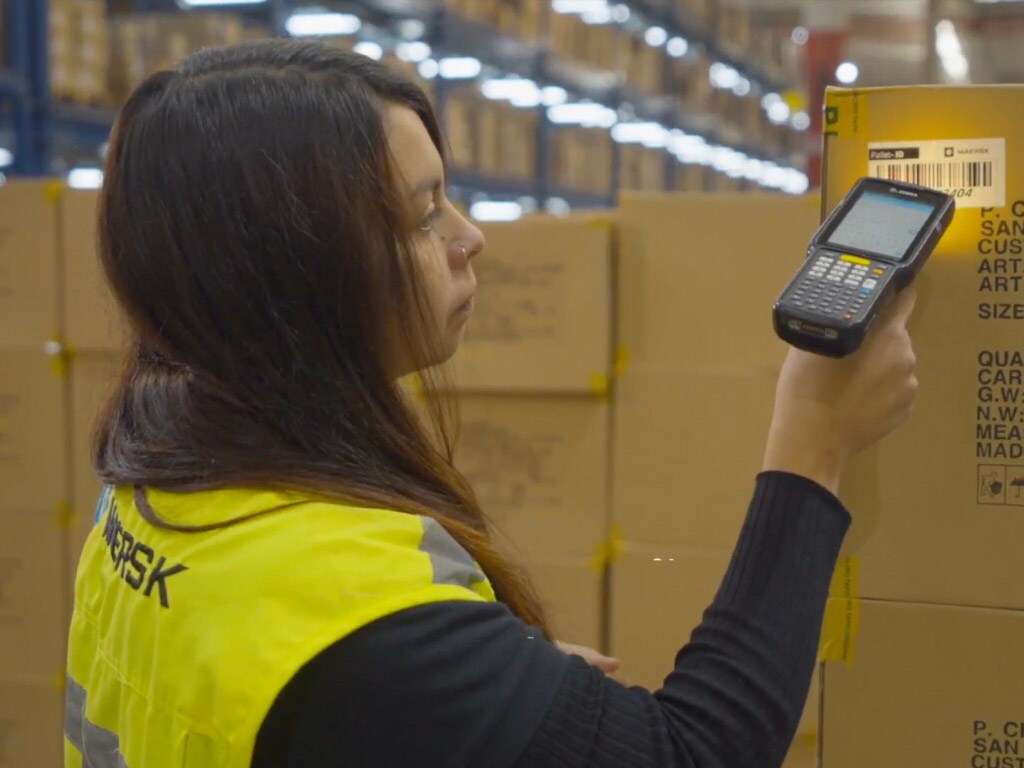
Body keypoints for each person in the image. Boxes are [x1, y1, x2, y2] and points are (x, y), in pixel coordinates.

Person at [65, 39, 918, 768]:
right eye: (422, 213)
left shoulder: (146, 494)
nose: (470, 237)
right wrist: (813, 445)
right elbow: (695, 752)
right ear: (295, 270)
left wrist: (478, 688)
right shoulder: (365, 625)